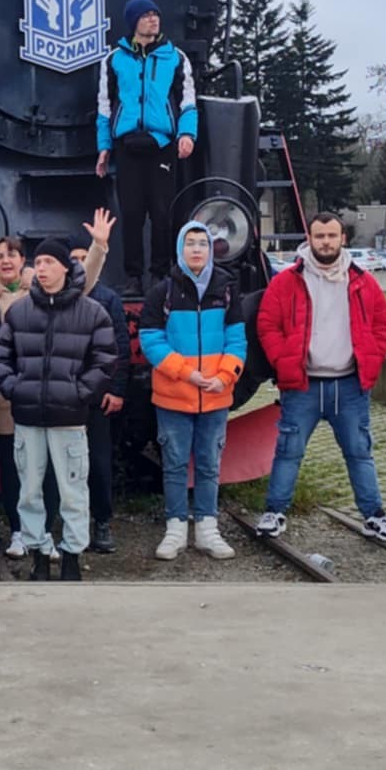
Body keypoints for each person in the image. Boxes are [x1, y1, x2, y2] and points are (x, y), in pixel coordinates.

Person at [255, 212, 386, 543]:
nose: (325, 242)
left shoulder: (363, 281)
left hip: (349, 384)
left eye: (331, 236)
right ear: (309, 238)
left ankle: (373, 515)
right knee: (288, 452)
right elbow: (268, 324)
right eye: (319, 236)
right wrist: (283, 361)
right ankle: (274, 512)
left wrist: (372, 361)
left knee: (359, 452)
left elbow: (381, 325)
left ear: (342, 238)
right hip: (303, 384)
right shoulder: (287, 281)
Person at [0, 238, 118, 582]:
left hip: (70, 418)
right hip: (29, 417)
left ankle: (72, 558)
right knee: (30, 490)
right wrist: (15, 389)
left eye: (49, 262)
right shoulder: (19, 313)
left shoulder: (91, 312)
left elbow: (106, 359)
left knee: (73, 491)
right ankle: (38, 557)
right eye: (39, 262)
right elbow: (1, 357)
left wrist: (80, 393)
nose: (42, 268)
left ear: (65, 267)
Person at [138, 220, 246, 560]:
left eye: (202, 243)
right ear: (180, 250)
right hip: (174, 394)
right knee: (173, 462)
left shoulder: (227, 290)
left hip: (215, 393)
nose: (197, 249)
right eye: (190, 243)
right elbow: (150, 340)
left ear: (210, 250)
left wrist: (226, 376)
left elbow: (237, 339)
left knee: (209, 463)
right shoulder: (162, 292)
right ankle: (175, 527)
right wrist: (186, 374)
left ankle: (207, 528)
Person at [95, 0, 198, 292]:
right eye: (146, 15)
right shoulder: (113, 59)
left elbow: (187, 99)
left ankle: (161, 272)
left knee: (162, 211)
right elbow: (105, 104)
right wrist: (104, 146)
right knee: (131, 213)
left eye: (156, 14)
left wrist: (187, 134)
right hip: (127, 144)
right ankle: (133, 276)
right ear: (134, 22)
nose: (153, 19)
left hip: (162, 143)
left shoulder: (175, 57)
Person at [0, 236, 45, 556]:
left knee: (41, 462)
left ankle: (42, 530)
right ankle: (18, 530)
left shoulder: (41, 290)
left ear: (23, 260)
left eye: (12, 255)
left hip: (38, 387)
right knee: (10, 463)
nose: (6, 261)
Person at [68, 209, 127, 555]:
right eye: (75, 258)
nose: (80, 263)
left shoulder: (108, 299)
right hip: (63, 394)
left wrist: (117, 389)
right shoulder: (51, 298)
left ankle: (102, 521)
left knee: (99, 462)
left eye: (85, 257)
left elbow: (119, 345)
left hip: (96, 394)